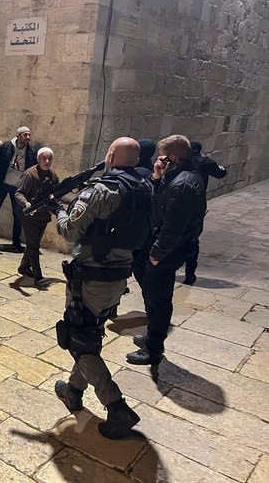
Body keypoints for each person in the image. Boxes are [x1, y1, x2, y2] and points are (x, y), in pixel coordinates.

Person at [50, 137, 153, 439]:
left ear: (110, 155)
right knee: (89, 334)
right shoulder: (145, 189)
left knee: (78, 340)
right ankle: (72, 390)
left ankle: (116, 406)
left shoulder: (101, 191)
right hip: (119, 276)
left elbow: (70, 231)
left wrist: (59, 210)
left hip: (91, 277)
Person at [128, 135, 206, 365]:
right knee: (152, 294)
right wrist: (156, 176)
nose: (158, 160)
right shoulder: (176, 178)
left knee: (159, 299)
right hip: (158, 247)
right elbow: (157, 201)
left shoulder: (183, 185)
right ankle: (152, 335)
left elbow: (173, 228)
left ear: (172, 157)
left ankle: (154, 349)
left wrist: (155, 255)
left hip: (166, 252)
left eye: (162, 157)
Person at [183, 141, 227, 285]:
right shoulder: (206, 162)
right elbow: (221, 173)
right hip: (196, 205)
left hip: (177, 200)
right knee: (193, 239)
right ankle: (190, 275)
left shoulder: (180, 159)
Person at [15, 147, 59, 287]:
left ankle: (24, 267)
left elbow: (58, 194)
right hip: (31, 217)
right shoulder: (30, 174)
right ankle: (38, 277)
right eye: (44, 158)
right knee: (34, 246)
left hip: (43, 216)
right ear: (38, 159)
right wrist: (26, 203)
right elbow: (19, 193)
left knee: (32, 244)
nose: (47, 161)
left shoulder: (53, 174)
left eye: (49, 158)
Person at [0, 126, 37, 252]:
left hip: (18, 187)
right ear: (18, 135)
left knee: (18, 215)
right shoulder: (6, 147)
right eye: (25, 135)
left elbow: (32, 171)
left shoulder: (31, 152)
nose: (27, 138)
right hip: (2, 183)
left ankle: (16, 242)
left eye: (29, 135)